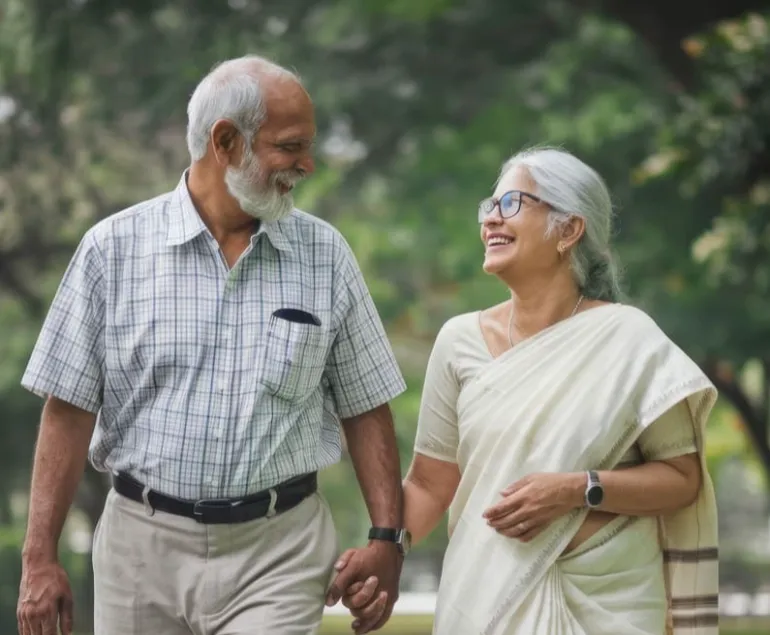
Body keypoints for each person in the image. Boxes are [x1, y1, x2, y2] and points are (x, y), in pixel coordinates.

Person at [17, 55, 409, 635]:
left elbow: (365, 405)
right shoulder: (111, 250)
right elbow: (68, 410)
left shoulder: (325, 256)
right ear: (226, 141)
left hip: (279, 549)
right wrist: (39, 557)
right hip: (139, 551)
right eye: (290, 147)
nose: (308, 164)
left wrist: (387, 538)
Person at [331, 147, 719, 634]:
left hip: (610, 601)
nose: (491, 219)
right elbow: (432, 483)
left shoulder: (630, 339)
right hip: (487, 597)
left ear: (569, 229)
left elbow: (683, 479)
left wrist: (579, 489)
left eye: (511, 203)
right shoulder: (458, 342)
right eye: (489, 206)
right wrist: (383, 544)